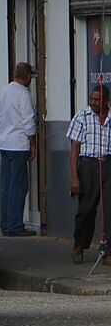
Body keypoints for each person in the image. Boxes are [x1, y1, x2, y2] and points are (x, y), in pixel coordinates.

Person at [67, 84, 111, 265]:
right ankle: (80, 245)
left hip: (108, 164)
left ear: (107, 101)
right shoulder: (82, 117)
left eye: (97, 100)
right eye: (91, 99)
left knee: (109, 210)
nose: (93, 102)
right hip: (88, 165)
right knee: (86, 210)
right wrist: (74, 175)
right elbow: (75, 148)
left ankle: (108, 252)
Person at [0, 61, 37, 236]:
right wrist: (33, 143)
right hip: (19, 144)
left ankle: (5, 223)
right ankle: (15, 225)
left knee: (6, 185)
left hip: (4, 143)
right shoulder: (24, 94)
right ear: (27, 77)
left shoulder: (3, 91)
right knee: (19, 186)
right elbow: (28, 121)